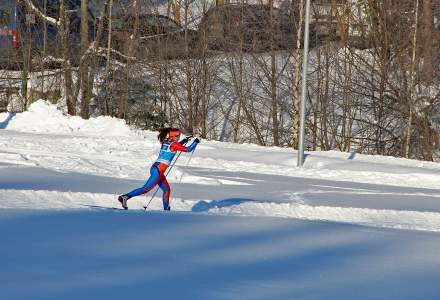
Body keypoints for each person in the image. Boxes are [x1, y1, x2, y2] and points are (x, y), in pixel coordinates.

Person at [118, 127, 200, 210]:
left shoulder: (167, 141)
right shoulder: (174, 144)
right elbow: (188, 149)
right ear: (174, 136)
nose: (179, 137)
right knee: (145, 189)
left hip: (156, 169)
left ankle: (166, 209)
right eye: (178, 136)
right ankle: (125, 197)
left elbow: (176, 146)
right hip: (158, 171)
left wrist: (184, 141)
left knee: (167, 190)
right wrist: (196, 141)